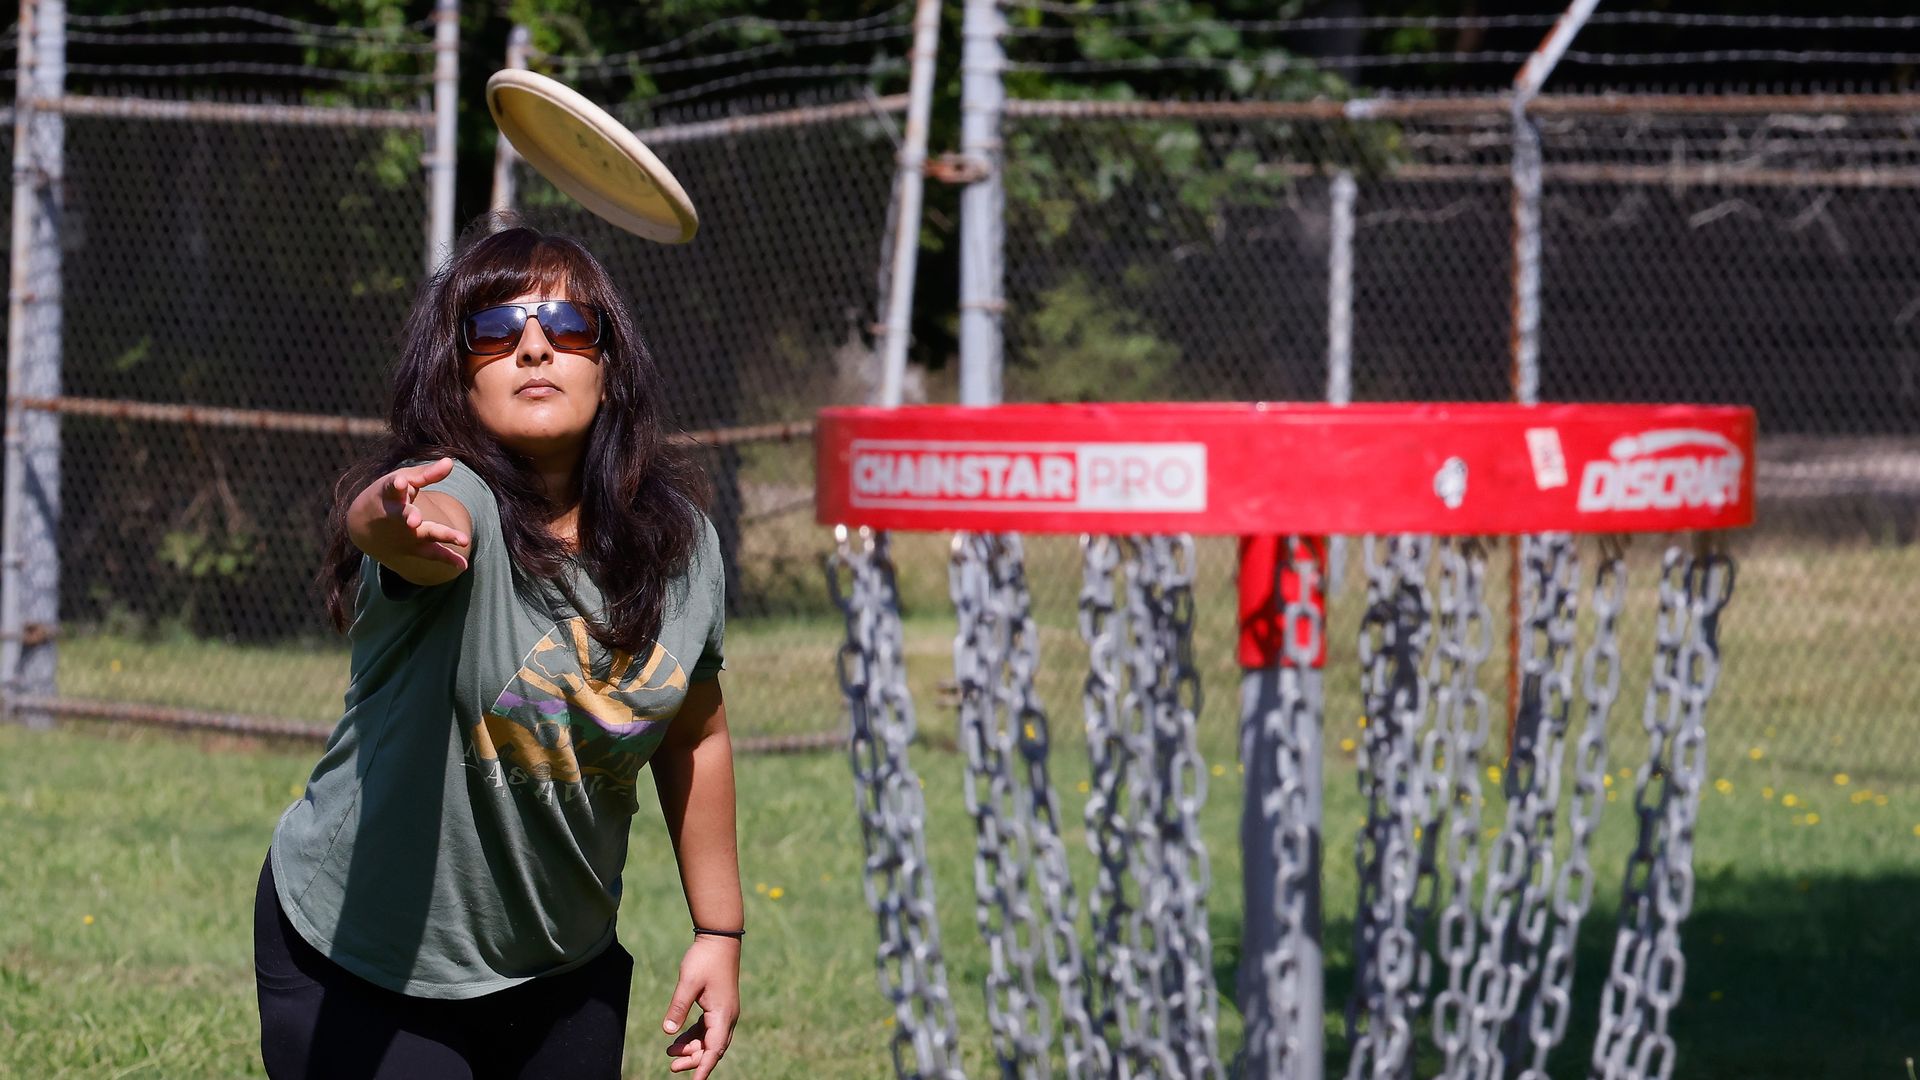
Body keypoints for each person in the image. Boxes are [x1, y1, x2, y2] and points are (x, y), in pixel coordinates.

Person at [254, 222, 741, 1080]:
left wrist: (719, 929)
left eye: (566, 325)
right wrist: (386, 513)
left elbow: (694, 734)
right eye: (494, 330)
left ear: (609, 360)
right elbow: (398, 527)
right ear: (456, 372)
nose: (532, 347)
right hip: (368, 959)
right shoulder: (461, 507)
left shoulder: (682, 545)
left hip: (562, 963)